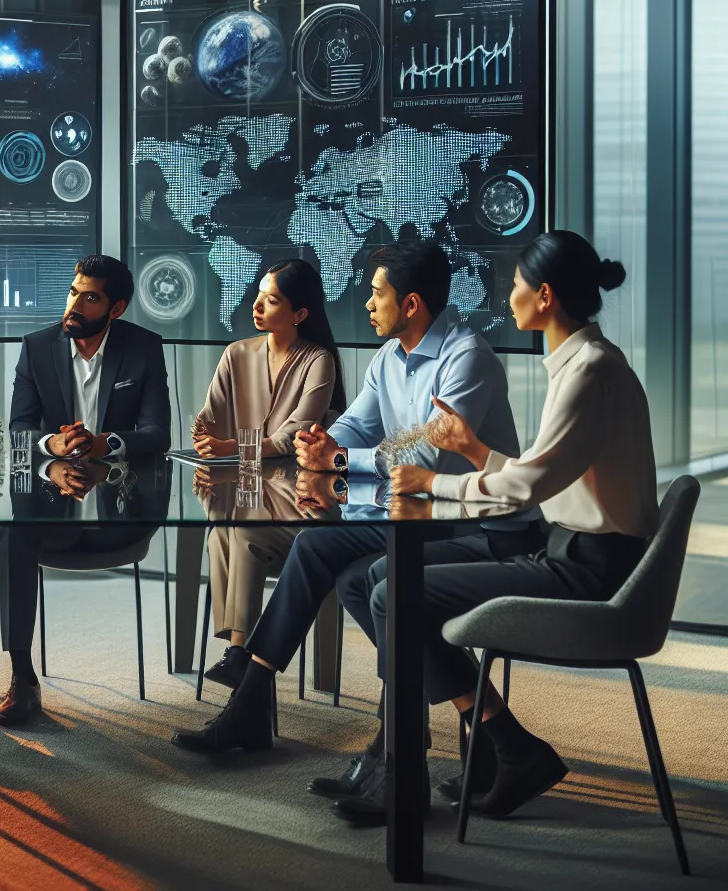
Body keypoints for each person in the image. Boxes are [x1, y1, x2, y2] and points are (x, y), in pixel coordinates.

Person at [172, 239, 537, 820]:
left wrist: (340, 460)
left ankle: (340, 727)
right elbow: (354, 426)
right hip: (414, 516)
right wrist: (323, 442)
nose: (367, 303)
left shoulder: (467, 358)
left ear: (410, 303)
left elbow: (429, 456)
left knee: (354, 568)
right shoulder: (388, 357)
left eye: (376, 293)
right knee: (341, 569)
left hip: (468, 520)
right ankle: (364, 732)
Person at [374, 230, 652, 820]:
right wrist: (474, 451)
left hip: (590, 570)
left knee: (395, 594)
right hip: (571, 550)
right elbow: (539, 475)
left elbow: (526, 488)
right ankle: (495, 747)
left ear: (545, 296)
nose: (509, 298)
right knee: (387, 580)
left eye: (518, 286)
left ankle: (498, 746)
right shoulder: (585, 363)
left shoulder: (589, 372)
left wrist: (433, 486)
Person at [0, 254, 171, 726]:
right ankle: (22, 676)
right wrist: (52, 447)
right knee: (12, 537)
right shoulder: (36, 347)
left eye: (89, 297)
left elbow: (157, 433)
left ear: (116, 308)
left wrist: (104, 443)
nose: (73, 305)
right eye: (74, 292)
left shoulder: (143, 348)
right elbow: (19, 428)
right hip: (51, 507)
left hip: (123, 513)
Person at [192, 259, 344, 677]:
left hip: (302, 501)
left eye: (271, 300)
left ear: (300, 313)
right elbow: (208, 419)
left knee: (240, 530)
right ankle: (239, 651)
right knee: (223, 526)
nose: (256, 305)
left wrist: (232, 446)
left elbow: (295, 435)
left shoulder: (319, 361)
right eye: (258, 295)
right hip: (246, 492)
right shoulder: (236, 353)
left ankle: (238, 652)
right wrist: (206, 441)